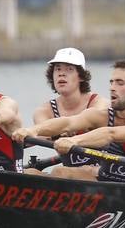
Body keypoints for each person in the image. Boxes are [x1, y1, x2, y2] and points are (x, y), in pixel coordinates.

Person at [13, 59, 125, 184]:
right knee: (28, 173)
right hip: (102, 183)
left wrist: (74, 140)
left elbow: (110, 133)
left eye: (120, 83)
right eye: (111, 82)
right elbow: (67, 123)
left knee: (61, 172)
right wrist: (33, 130)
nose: (112, 88)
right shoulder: (101, 116)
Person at [31, 47, 102, 178]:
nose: (61, 74)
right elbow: (43, 131)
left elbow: (91, 118)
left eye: (69, 69)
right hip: (72, 177)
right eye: (57, 69)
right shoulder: (44, 111)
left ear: (81, 76)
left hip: (102, 174)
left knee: (59, 172)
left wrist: (71, 129)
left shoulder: (99, 103)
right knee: (29, 173)